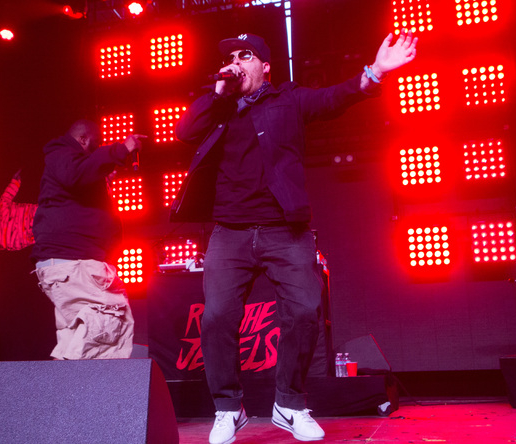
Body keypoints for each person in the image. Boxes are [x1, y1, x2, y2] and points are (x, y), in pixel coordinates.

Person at [172, 31, 417, 443]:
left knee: (304, 310)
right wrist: (218, 92)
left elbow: (334, 98)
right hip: (230, 231)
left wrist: (375, 72)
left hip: (285, 229)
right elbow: (184, 131)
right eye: (230, 56)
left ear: (265, 66)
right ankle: (228, 408)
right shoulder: (218, 106)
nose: (236, 62)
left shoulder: (288, 100)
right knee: (215, 318)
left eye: (245, 55)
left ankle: (289, 403)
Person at [32, 119, 146, 360]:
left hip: (68, 266)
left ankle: (63, 378)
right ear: (83, 139)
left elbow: (81, 175)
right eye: (96, 144)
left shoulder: (69, 167)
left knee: (79, 337)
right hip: (74, 265)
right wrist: (120, 149)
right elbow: (77, 173)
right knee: (112, 323)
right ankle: (83, 379)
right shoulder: (61, 154)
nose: (99, 149)